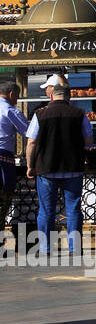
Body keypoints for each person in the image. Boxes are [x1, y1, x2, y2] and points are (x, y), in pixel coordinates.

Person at [25, 80, 94, 256]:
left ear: (51, 96)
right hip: (73, 168)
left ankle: (45, 248)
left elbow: (31, 142)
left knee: (47, 210)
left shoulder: (40, 114)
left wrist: (30, 165)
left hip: (47, 169)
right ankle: (74, 248)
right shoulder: (79, 114)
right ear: (69, 97)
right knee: (73, 209)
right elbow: (88, 140)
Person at [0, 82, 30, 235]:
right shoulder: (10, 111)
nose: (17, 100)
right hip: (3, 159)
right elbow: (29, 133)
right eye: (17, 97)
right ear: (11, 94)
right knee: (3, 200)